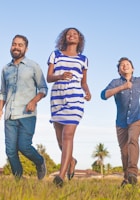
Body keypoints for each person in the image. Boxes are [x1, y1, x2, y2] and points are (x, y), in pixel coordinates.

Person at [0, 34, 48, 180]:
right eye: (14, 44)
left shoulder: (33, 66)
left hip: (27, 114)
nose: (16, 47)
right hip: (9, 115)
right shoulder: (6, 69)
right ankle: (19, 180)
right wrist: (0, 110)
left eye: (20, 45)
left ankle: (40, 161)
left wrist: (34, 101)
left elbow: (43, 88)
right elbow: (3, 92)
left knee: (24, 146)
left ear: (26, 48)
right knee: (10, 150)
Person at [47, 27, 91, 187]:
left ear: (79, 39)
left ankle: (61, 176)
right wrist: (60, 76)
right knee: (60, 141)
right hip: (57, 98)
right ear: (64, 38)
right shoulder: (55, 55)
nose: (72, 35)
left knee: (68, 136)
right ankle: (71, 161)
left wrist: (87, 92)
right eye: (68, 34)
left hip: (75, 99)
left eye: (75, 34)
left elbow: (83, 82)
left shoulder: (83, 59)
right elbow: (49, 77)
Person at [101, 57, 140, 187]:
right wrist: (122, 87)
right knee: (124, 151)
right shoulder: (115, 82)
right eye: (122, 65)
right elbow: (103, 95)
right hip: (121, 122)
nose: (125, 66)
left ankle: (133, 173)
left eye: (127, 64)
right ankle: (127, 179)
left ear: (132, 68)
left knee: (133, 140)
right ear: (119, 71)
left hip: (136, 119)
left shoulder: (139, 81)